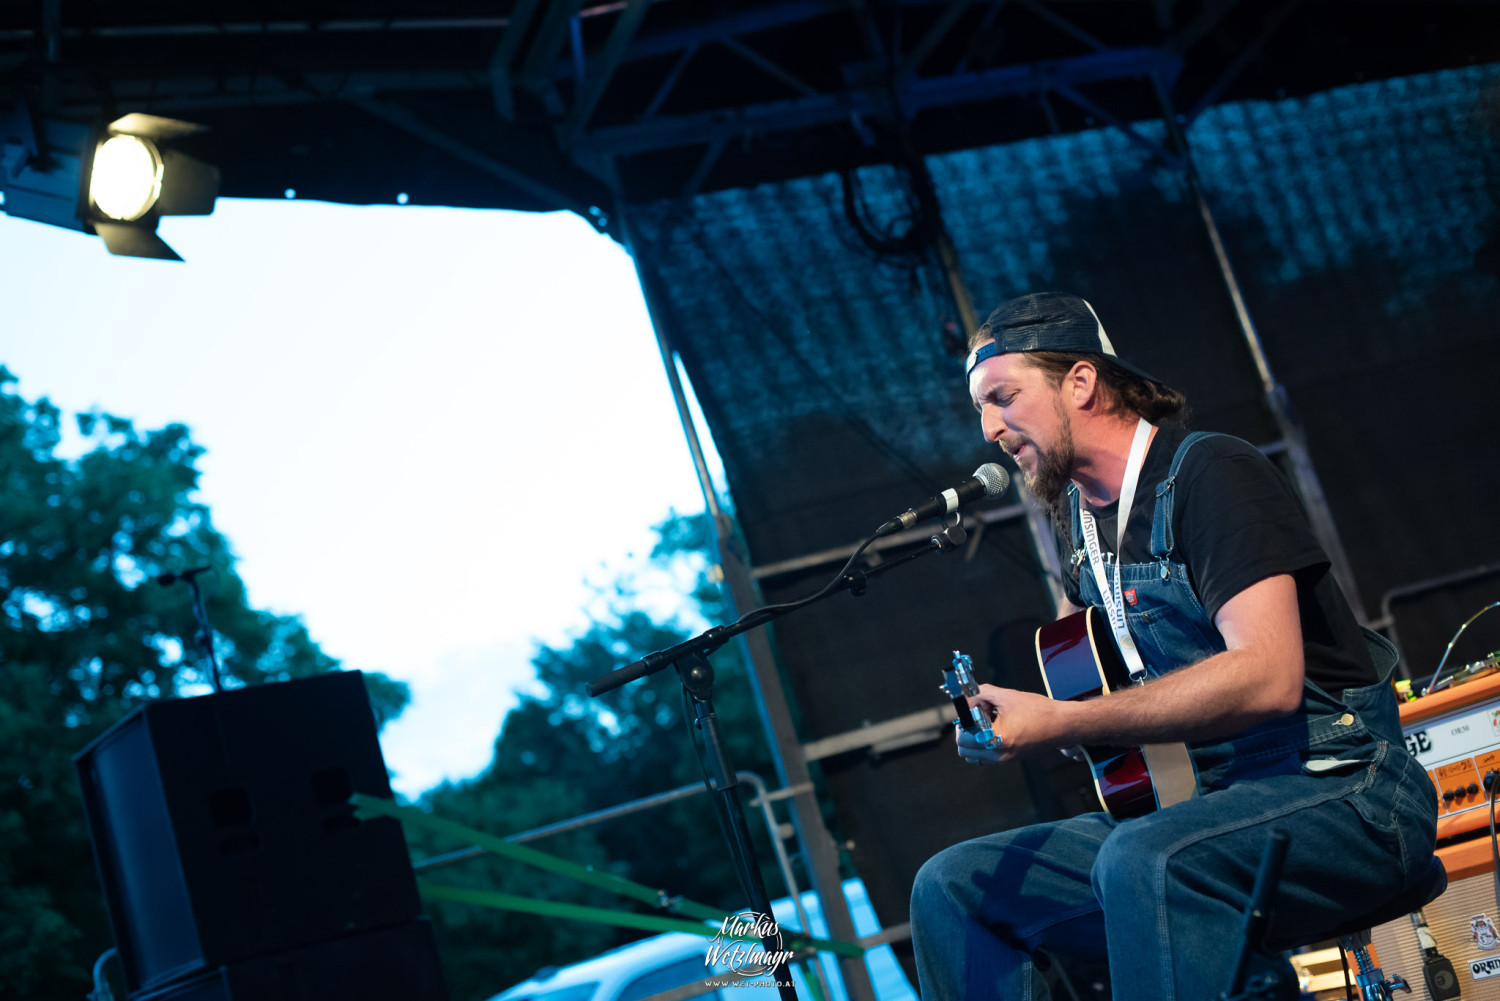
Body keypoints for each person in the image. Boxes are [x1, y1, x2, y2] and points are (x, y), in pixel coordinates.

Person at [909, 292, 1437, 1001]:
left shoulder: (1212, 472)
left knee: (1144, 856)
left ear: (1082, 381)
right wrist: (1033, 724)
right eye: (980, 408)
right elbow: (1105, 687)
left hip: (1345, 792)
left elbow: (1268, 677)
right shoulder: (1081, 522)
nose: (989, 429)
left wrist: (1065, 720)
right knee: (951, 886)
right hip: (1202, 808)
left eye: (1003, 397)